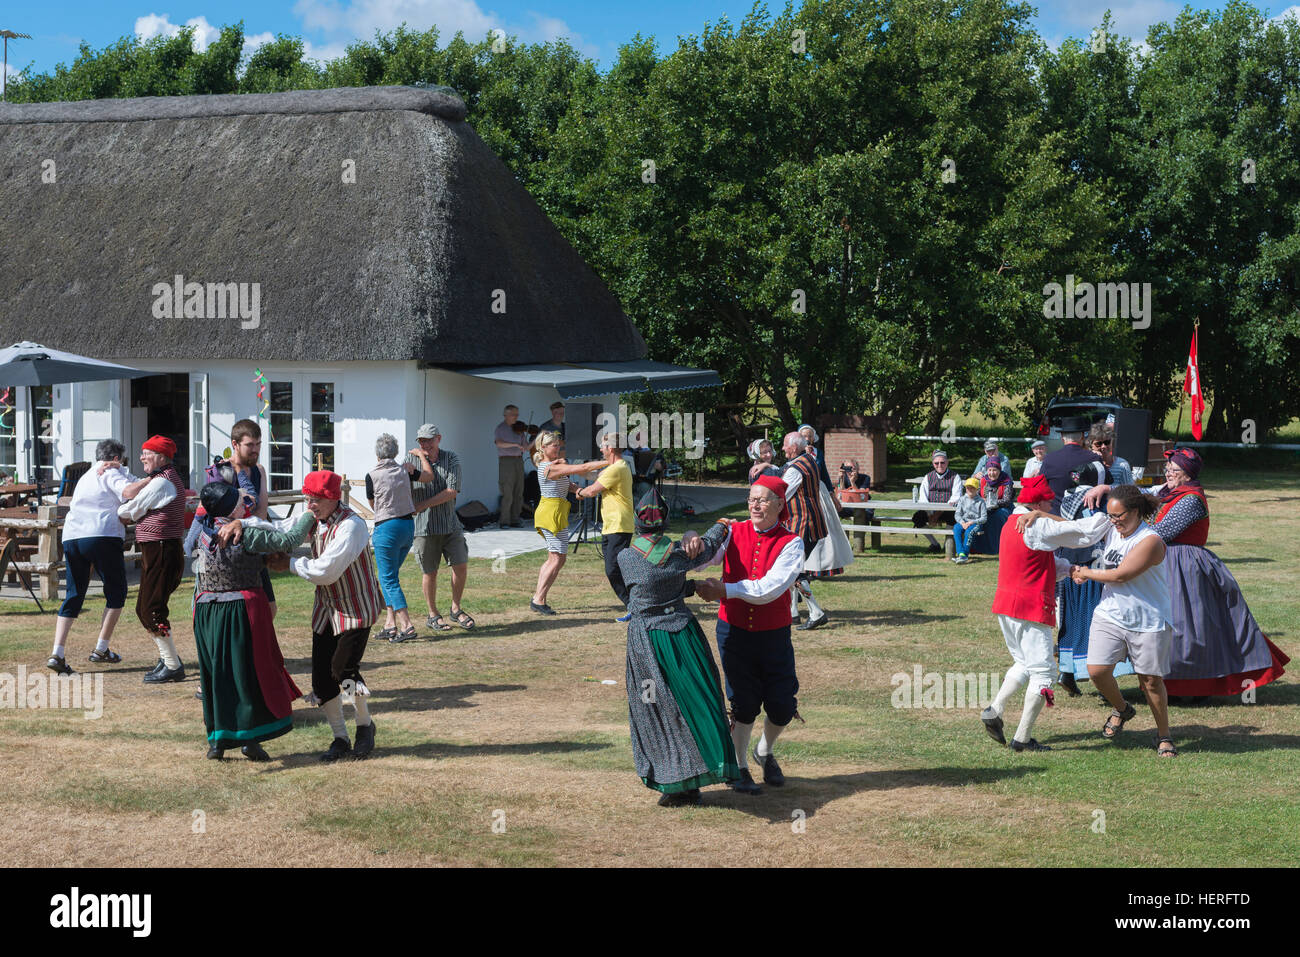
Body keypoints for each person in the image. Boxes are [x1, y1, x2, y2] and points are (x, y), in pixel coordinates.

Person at [1019, 485, 1179, 756]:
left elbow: (1120, 575)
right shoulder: (1110, 527)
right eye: (1110, 516)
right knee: (1096, 671)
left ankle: (1164, 736)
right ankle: (1122, 709)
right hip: (1110, 614)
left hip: (1148, 619)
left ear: (1136, 512)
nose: (1114, 522)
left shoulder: (1149, 540)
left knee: (1150, 681)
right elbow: (1075, 529)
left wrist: (1083, 572)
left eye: (1119, 516)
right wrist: (1039, 515)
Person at [619, 490, 740, 806]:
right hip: (684, 635)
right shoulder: (680, 554)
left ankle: (675, 782)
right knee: (697, 701)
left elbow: (642, 591)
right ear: (664, 522)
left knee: (656, 709)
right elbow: (712, 543)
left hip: (647, 640)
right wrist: (720, 522)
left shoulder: (625, 558)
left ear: (638, 522)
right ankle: (700, 772)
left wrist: (684, 585)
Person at [694, 475, 806, 794]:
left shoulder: (792, 543)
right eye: (751, 499)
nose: (755, 505)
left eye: (763, 499)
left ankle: (765, 752)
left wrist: (725, 589)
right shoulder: (732, 531)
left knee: (782, 703)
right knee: (742, 702)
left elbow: (771, 588)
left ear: (779, 504)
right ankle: (739, 766)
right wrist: (692, 539)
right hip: (734, 630)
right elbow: (704, 559)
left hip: (773, 633)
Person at [1148, 448, 1288, 697]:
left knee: (1190, 626)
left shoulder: (1190, 499)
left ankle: (1192, 687)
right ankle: (1170, 684)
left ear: (1188, 474)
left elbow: (1161, 532)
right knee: (1170, 624)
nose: (1168, 473)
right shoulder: (1170, 494)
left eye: (1174, 470)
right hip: (1168, 562)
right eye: (1167, 468)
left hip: (1185, 565)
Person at [192, 482, 314, 760]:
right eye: (238, 501)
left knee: (217, 677)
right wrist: (310, 515)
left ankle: (218, 741)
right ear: (230, 507)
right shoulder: (245, 534)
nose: (243, 503)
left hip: (207, 612)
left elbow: (191, 550)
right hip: (239, 611)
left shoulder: (203, 529)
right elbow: (289, 541)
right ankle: (250, 739)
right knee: (249, 674)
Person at [290, 470, 383, 761]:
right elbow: (283, 528)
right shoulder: (314, 520)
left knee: (343, 670)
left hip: (355, 608)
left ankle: (365, 727)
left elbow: (326, 572)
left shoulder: (351, 526)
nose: (310, 506)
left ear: (332, 498)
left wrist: (288, 564)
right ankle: (339, 738)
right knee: (321, 679)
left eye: (316, 500)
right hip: (327, 609)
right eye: (308, 499)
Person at [980, 475, 1072, 751]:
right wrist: (1041, 515)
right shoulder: (1037, 523)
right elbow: (1079, 531)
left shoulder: (1011, 521)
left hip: (1007, 603)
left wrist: (1071, 570)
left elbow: (1038, 562)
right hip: (1030, 605)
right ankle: (1022, 739)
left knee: (1024, 662)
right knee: (1044, 673)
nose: (1052, 508)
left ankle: (994, 710)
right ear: (1039, 503)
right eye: (1049, 503)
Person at [46, 439, 134, 675]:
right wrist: (153, 480)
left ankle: (58, 652)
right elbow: (127, 491)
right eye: (122, 460)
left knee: (74, 594)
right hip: (102, 534)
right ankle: (101, 648)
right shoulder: (112, 472)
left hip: (73, 536)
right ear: (116, 459)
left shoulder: (86, 476)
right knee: (117, 592)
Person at [118, 435, 188, 684]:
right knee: (146, 608)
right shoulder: (164, 479)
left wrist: (128, 511)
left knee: (151, 609)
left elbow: (127, 510)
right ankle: (166, 659)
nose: (141, 457)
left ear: (160, 457)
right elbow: (136, 509)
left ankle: (172, 665)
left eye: (146, 453)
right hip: (159, 549)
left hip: (161, 549)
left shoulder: (161, 483)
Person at [408, 424, 474, 633]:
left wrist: (422, 504)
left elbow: (452, 491)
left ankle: (456, 609)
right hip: (424, 528)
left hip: (449, 523)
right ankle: (433, 614)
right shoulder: (410, 461)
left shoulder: (450, 458)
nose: (425, 444)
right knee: (430, 572)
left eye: (429, 440)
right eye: (421, 441)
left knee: (460, 565)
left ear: (439, 439)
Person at [366, 433, 430, 642]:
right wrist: (421, 457)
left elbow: (372, 503)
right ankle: (390, 624)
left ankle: (407, 625)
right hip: (407, 526)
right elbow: (429, 476)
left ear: (377, 454)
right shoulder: (405, 470)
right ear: (395, 452)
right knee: (390, 576)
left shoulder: (372, 475)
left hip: (387, 528)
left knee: (388, 579)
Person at [575, 433, 635, 618]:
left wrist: (578, 491)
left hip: (619, 524)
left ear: (610, 448)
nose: (601, 449)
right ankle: (635, 604)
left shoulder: (616, 469)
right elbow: (589, 474)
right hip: (612, 525)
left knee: (613, 569)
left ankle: (634, 605)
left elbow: (592, 490)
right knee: (616, 568)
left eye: (603, 446)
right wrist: (565, 468)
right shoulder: (615, 467)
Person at [526, 430, 584, 614]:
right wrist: (607, 462)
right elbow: (575, 470)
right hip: (550, 513)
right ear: (543, 448)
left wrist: (578, 490)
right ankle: (538, 599)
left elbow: (567, 483)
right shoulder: (547, 467)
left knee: (557, 558)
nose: (558, 448)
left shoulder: (554, 465)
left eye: (559, 445)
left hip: (556, 512)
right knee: (556, 558)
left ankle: (538, 597)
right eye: (554, 445)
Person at [228, 418, 279, 618]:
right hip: (231, 550)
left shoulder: (259, 470)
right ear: (235, 444)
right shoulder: (224, 471)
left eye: (258, 444)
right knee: (241, 611)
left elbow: (262, 509)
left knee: (270, 608)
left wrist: (245, 522)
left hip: (255, 546)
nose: (255, 449)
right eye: (250, 445)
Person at [781, 432, 830, 629]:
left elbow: (781, 495)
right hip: (812, 523)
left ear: (793, 447)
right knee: (795, 568)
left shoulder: (795, 470)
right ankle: (793, 612)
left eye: (785, 445)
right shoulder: (809, 460)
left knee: (794, 571)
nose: (783, 448)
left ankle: (816, 612)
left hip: (801, 524)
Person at [798, 426, 854, 581]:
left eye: (809, 436)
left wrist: (833, 496)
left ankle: (822, 567)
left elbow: (824, 475)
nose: (807, 438)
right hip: (805, 492)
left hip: (820, 492)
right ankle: (805, 568)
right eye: (803, 436)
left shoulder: (818, 453)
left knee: (825, 528)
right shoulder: (797, 454)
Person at [911, 449, 961, 553]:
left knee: (953, 517)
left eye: (942, 462)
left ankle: (947, 545)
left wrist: (937, 514)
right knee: (917, 517)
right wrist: (930, 513)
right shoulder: (928, 477)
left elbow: (955, 498)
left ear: (947, 462)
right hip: (930, 510)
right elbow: (923, 498)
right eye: (936, 463)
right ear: (933, 464)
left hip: (947, 510)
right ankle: (934, 544)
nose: (940, 465)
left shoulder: (955, 477)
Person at [493, 405, 528, 528]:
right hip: (506, 461)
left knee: (519, 491)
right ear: (506, 415)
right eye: (513, 415)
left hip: (519, 460)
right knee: (507, 492)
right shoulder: (500, 428)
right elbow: (499, 443)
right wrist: (514, 445)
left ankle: (515, 519)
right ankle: (504, 521)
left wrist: (537, 438)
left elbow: (526, 447)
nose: (516, 417)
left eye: (517, 414)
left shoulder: (519, 429)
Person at [836, 458, 872, 552]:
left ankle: (858, 547)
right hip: (848, 507)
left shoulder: (865, 478)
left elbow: (861, 496)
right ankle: (842, 546)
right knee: (834, 512)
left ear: (857, 469)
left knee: (862, 514)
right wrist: (841, 479)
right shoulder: (843, 478)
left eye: (851, 468)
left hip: (863, 507)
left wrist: (852, 482)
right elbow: (840, 495)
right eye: (847, 468)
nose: (849, 471)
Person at [952, 477, 986, 564]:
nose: (970, 489)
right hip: (964, 522)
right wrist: (962, 523)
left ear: (977, 489)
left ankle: (965, 555)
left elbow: (984, 518)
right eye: (968, 487)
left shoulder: (981, 502)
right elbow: (957, 514)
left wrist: (972, 522)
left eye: (972, 487)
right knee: (956, 528)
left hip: (976, 523)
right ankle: (961, 553)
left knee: (969, 532)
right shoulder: (962, 499)